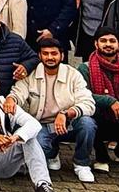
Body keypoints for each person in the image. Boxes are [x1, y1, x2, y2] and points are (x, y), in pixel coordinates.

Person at [6, 38, 98, 182]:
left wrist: (66, 113)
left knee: (87, 124)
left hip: (68, 123)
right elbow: (18, 92)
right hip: (42, 125)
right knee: (39, 150)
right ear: (39, 56)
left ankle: (81, 164)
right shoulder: (31, 74)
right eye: (45, 54)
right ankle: (52, 152)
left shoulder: (73, 74)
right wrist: (11, 100)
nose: (50, 57)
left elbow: (89, 103)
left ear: (61, 56)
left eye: (54, 54)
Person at [76, 26, 119, 171]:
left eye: (112, 41)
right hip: (99, 115)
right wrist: (109, 101)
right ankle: (101, 156)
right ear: (96, 44)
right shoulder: (84, 68)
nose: (108, 44)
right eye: (103, 41)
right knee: (88, 117)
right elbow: (81, 95)